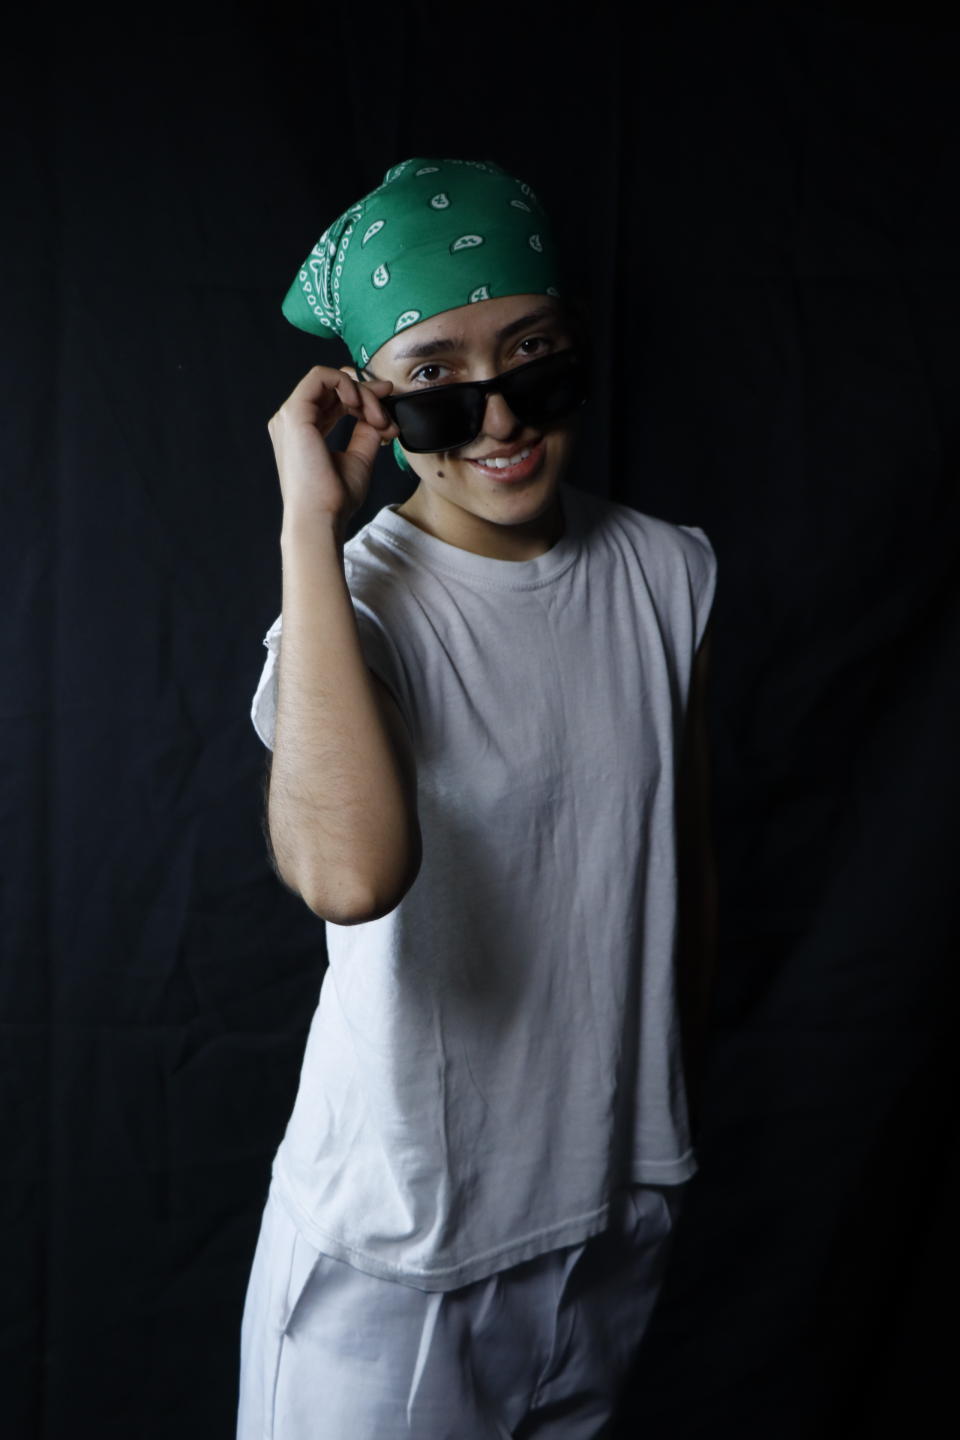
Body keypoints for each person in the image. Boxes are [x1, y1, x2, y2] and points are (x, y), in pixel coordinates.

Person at [237, 156, 718, 1439]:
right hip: (401, 1256)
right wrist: (308, 529)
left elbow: (680, 866)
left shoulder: (670, 573)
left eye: (533, 358)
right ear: (373, 404)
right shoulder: (353, 614)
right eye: (438, 382)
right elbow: (350, 877)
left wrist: (650, 1125)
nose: (500, 419)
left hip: (613, 1217)